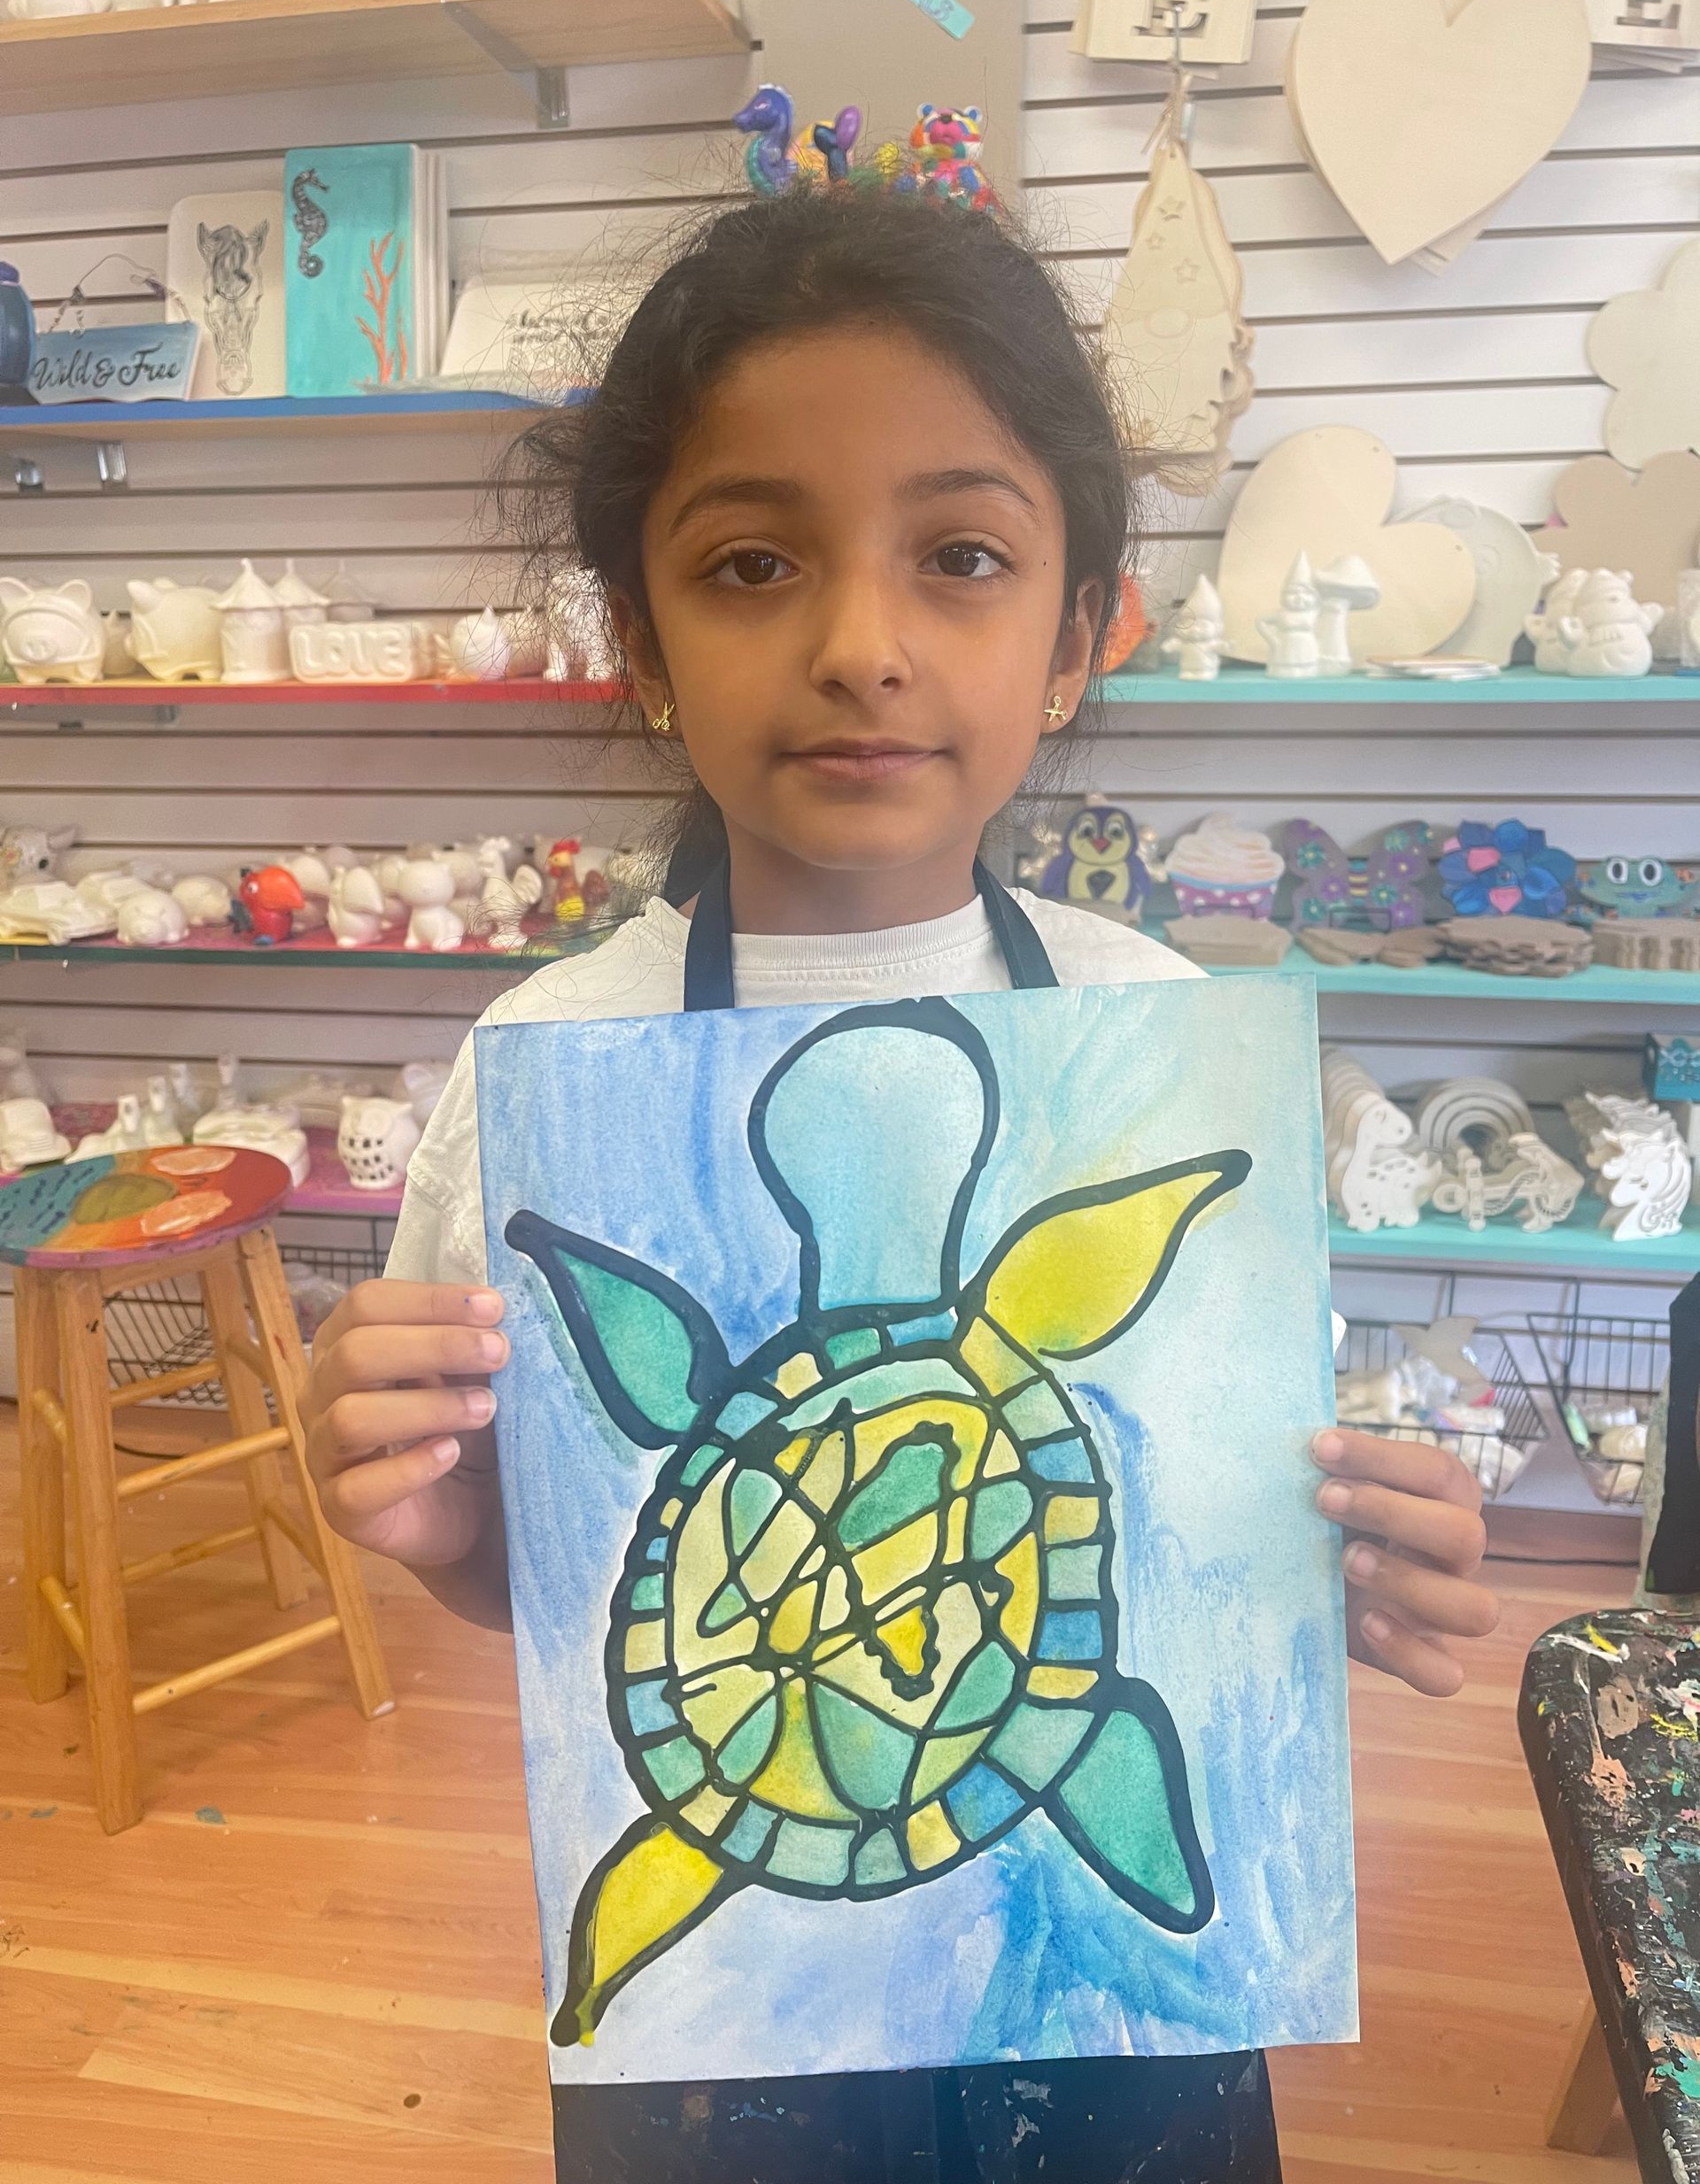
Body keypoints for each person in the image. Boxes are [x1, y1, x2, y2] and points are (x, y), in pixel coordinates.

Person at [302, 182, 1499, 2182]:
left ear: (1078, 631)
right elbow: (565, 1583)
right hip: (736, 2040)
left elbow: (1210, 1515)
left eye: (960, 556)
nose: (862, 644)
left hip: (1112, 2008)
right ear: (645, 641)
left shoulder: (1147, 1029)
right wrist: (435, 1527)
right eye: (757, 560)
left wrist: (1353, 1549)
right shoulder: (546, 1073)